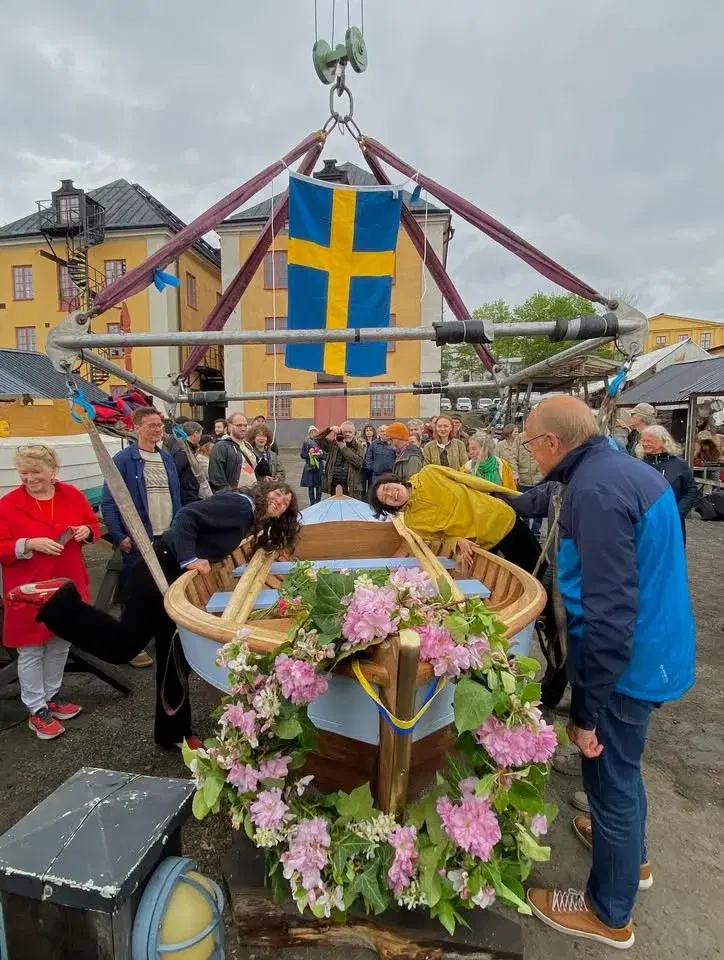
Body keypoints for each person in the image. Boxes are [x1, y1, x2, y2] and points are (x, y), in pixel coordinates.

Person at [519, 396, 694, 950]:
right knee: (623, 764)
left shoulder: (595, 491)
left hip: (627, 663)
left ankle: (608, 911)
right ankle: (630, 856)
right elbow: (543, 498)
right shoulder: (617, 468)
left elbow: (610, 614)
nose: (531, 453)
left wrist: (586, 710)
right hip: (657, 647)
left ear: (552, 442)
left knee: (609, 776)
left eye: (531, 444)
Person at [28, 482, 300, 750]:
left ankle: (174, 732)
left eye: (285, 503)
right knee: (123, 646)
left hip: (171, 581)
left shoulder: (249, 518)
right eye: (277, 494)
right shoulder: (241, 505)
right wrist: (189, 558)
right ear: (264, 491)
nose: (279, 501)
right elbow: (187, 516)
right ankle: (58, 601)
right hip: (156, 571)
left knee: (173, 658)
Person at [0, 445, 100, 740]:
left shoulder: (72, 495)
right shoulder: (7, 504)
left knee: (60, 642)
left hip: (67, 582)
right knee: (31, 649)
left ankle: (51, 697)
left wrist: (86, 531)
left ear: (53, 470)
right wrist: (28, 543)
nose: (29, 478)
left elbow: (92, 524)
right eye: (24, 472)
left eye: (36, 472)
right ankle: (36, 709)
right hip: (28, 588)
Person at [103, 406, 182, 669]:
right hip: (139, 538)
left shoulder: (166, 457)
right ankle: (131, 645)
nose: (158, 429)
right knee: (134, 592)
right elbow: (110, 500)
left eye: (159, 425)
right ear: (136, 427)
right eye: (151, 425)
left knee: (166, 587)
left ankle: (163, 635)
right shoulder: (124, 460)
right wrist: (118, 536)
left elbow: (176, 495)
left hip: (166, 535)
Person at [369, 465, 540, 573]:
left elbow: (470, 481)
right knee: (508, 575)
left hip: (501, 520)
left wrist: (515, 495)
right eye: (385, 498)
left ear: (395, 481)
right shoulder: (412, 522)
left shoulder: (430, 473)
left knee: (537, 565)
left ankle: (549, 614)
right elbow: (442, 537)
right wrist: (456, 540)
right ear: (389, 507)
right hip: (483, 543)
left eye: (388, 488)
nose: (391, 494)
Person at [637, 425, 699, 544]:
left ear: (663, 442)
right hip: (645, 521)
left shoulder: (679, 465)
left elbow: (690, 490)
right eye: (643, 440)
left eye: (649, 441)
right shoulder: (638, 464)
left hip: (672, 521)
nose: (644, 444)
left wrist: (678, 513)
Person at [208, 412, 257, 492]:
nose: (243, 428)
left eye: (245, 425)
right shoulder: (221, 447)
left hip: (252, 492)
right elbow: (217, 478)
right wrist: (230, 493)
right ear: (230, 426)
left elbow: (248, 468)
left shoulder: (248, 446)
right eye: (239, 425)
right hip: (234, 494)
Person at [316, 422, 365, 499]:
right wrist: (329, 429)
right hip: (334, 485)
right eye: (345, 432)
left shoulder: (358, 446)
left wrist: (343, 448)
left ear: (354, 434)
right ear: (341, 433)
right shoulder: (333, 444)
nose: (347, 434)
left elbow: (359, 463)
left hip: (350, 487)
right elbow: (317, 438)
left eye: (350, 432)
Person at [516, 430, 544, 538]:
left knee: (540, 505)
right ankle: (526, 531)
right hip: (524, 478)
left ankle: (536, 532)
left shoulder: (543, 434)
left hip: (539, 478)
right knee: (524, 506)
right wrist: (515, 473)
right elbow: (513, 457)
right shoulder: (520, 438)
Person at [173, 421, 204, 506]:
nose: (200, 438)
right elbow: (177, 472)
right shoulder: (183, 451)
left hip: (188, 492)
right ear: (195, 433)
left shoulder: (184, 448)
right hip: (187, 494)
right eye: (200, 435)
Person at [300, 426, 324, 506]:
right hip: (310, 467)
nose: (313, 434)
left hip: (319, 467)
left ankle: (318, 502)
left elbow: (325, 455)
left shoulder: (321, 442)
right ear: (309, 434)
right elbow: (302, 455)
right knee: (311, 486)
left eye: (315, 432)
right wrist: (309, 454)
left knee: (319, 486)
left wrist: (320, 453)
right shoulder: (306, 442)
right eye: (311, 432)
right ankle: (312, 503)